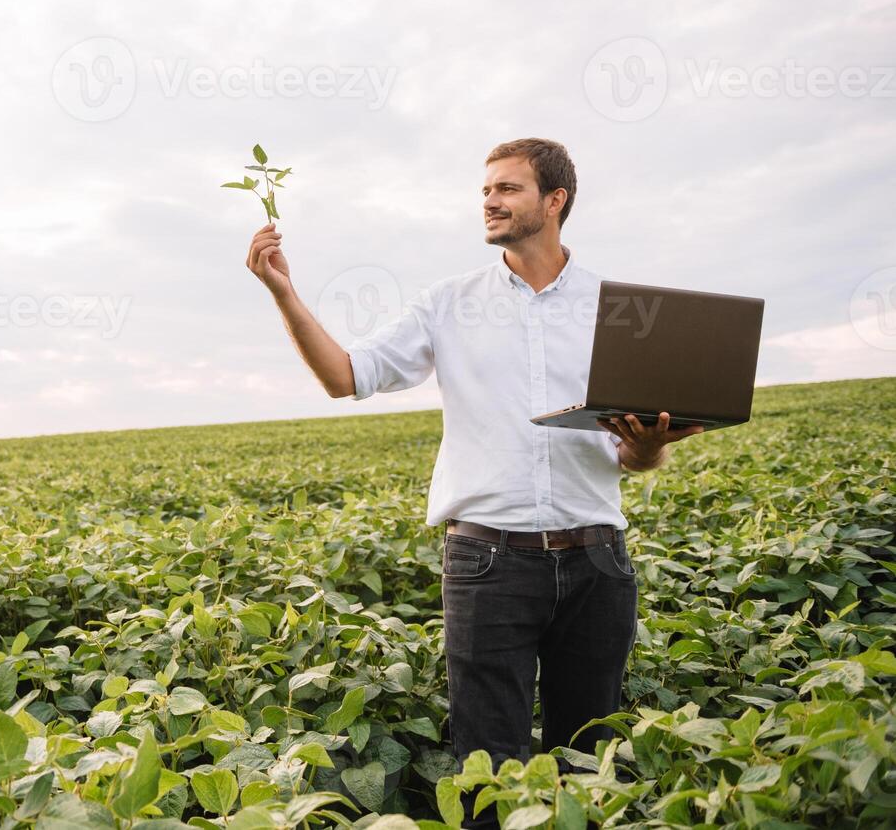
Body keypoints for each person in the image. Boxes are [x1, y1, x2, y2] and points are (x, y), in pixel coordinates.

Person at [244, 137, 703, 828]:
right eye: (486, 190)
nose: (489, 200)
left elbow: (632, 458)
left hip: (598, 560)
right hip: (489, 564)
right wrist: (284, 293)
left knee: (590, 757)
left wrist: (649, 447)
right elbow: (346, 376)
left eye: (508, 189)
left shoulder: (617, 309)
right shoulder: (448, 303)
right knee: (490, 774)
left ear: (555, 201)